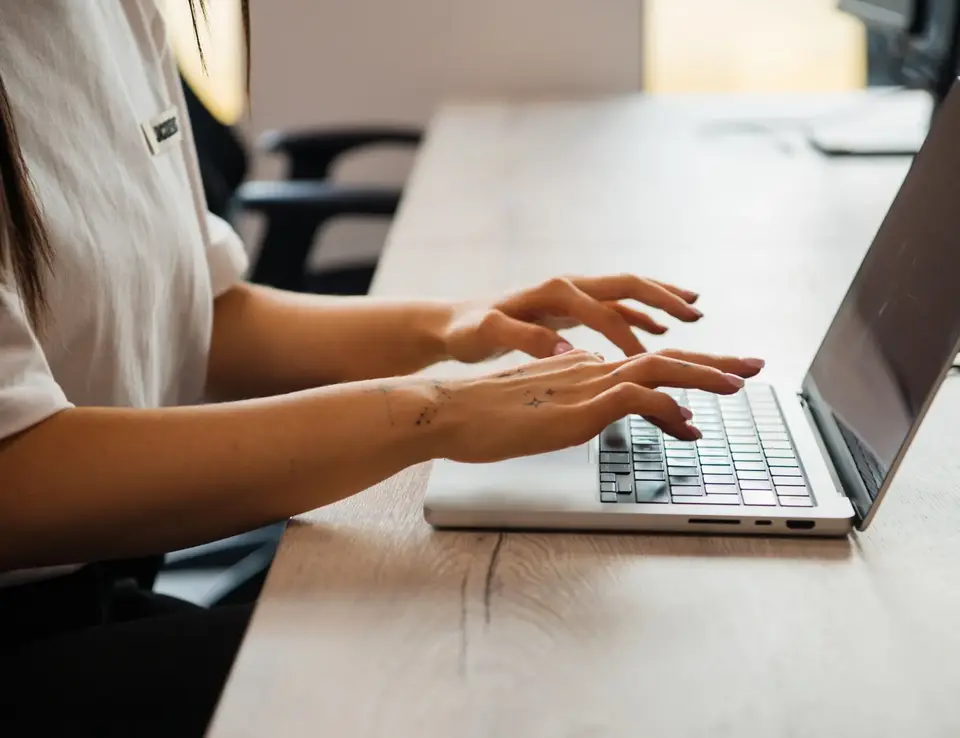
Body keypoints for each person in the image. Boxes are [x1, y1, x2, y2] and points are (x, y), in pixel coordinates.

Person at [0, 2, 765, 736]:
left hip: (109, 581)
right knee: (476, 660)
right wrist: (435, 412)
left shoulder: (110, 11)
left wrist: (454, 325)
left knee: (515, 620)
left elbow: (201, 317)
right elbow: (19, 478)